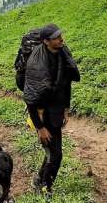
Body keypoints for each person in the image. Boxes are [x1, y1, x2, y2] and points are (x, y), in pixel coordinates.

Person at [21, 23, 80, 193]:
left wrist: (66, 108)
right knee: (56, 154)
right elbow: (31, 99)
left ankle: (40, 180)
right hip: (41, 112)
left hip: (56, 108)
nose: (61, 39)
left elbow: (66, 81)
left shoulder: (62, 53)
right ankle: (44, 187)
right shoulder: (36, 63)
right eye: (56, 38)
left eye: (61, 36)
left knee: (53, 152)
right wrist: (40, 128)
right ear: (46, 41)